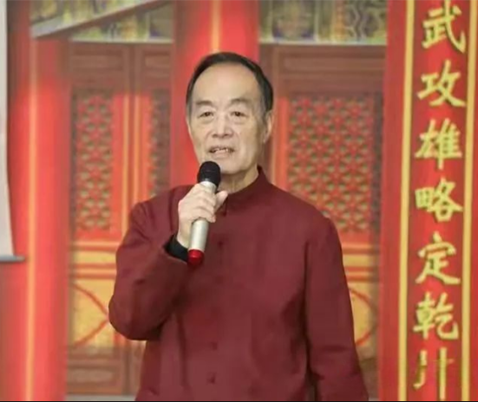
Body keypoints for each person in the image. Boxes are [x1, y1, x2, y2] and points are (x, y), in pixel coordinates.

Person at [109, 52, 368, 401]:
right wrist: (179, 244)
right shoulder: (153, 217)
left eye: (237, 113)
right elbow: (129, 320)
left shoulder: (309, 231)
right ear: (189, 126)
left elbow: (335, 362)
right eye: (206, 114)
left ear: (267, 125)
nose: (221, 129)